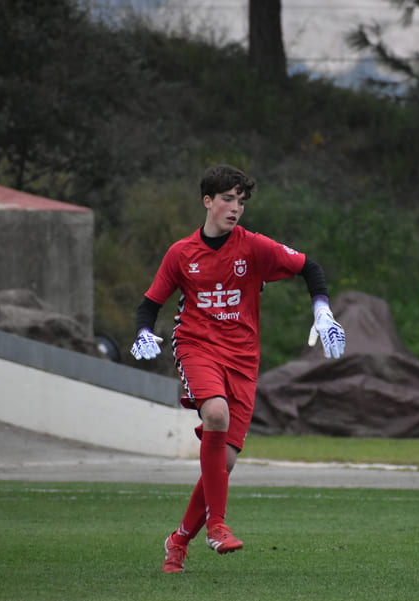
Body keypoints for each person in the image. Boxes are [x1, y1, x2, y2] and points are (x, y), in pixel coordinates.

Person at [130, 164, 346, 574]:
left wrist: (323, 311)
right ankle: (216, 526)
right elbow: (150, 304)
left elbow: (310, 268)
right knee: (215, 413)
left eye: (240, 202)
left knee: (223, 465)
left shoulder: (253, 247)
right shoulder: (181, 253)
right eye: (227, 199)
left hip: (243, 359)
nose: (235, 208)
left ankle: (177, 541)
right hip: (197, 346)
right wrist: (143, 331)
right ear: (207, 202)